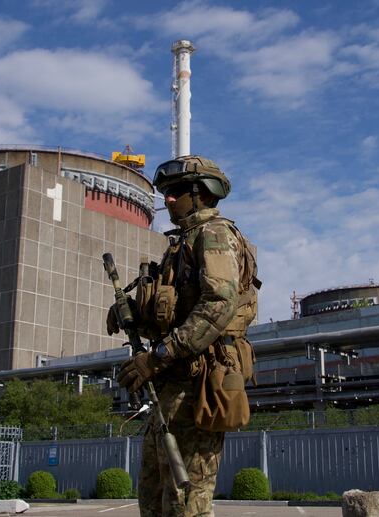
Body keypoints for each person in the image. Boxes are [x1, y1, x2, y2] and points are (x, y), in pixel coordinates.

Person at [108, 155, 259, 516]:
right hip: (172, 387)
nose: (168, 199)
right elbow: (175, 314)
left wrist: (155, 357)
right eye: (167, 192)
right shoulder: (182, 245)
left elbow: (217, 307)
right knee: (154, 492)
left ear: (202, 194)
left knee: (185, 499)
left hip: (199, 386)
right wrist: (132, 312)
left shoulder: (215, 235)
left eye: (176, 192)